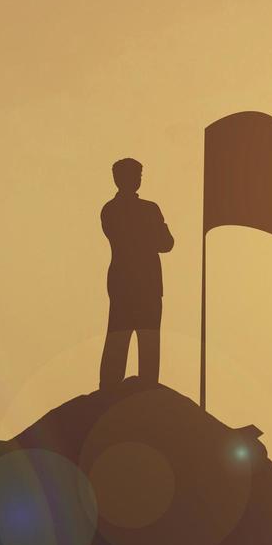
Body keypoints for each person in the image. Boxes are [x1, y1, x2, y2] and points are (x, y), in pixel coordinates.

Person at [99, 157, 175, 388]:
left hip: (142, 283)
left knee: (146, 340)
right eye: (133, 175)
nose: (137, 179)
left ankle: (146, 387)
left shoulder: (143, 209)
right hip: (129, 283)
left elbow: (167, 243)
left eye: (139, 175)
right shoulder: (115, 210)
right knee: (119, 339)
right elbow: (161, 241)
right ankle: (111, 388)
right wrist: (149, 234)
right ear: (118, 178)